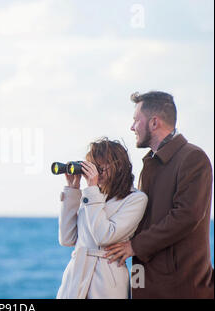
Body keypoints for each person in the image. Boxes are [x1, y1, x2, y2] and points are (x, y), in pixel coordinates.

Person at [104, 91, 214, 299]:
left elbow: (186, 216)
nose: (132, 127)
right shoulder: (150, 163)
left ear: (154, 123)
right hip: (147, 282)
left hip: (180, 288)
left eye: (136, 120)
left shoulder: (193, 158)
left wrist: (134, 246)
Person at [56, 138, 148, 299]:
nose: (96, 173)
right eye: (92, 166)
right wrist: (72, 191)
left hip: (106, 281)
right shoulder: (93, 196)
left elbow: (104, 236)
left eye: (100, 167)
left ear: (118, 166)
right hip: (76, 278)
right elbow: (67, 239)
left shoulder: (135, 199)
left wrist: (91, 190)